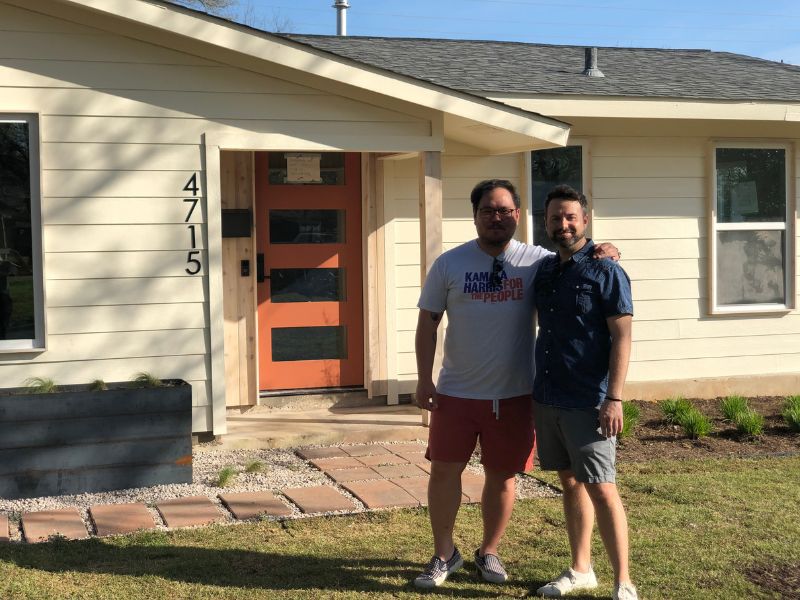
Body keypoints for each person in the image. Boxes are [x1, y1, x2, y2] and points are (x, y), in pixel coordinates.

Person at [413, 179, 619, 589]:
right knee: (443, 472)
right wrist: (424, 379)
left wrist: (607, 249)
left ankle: (489, 551)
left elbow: (577, 252)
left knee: (502, 476)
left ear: (519, 216)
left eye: (505, 210)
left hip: (517, 394)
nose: (497, 217)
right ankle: (443, 554)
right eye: (488, 209)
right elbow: (427, 324)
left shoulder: (538, 261)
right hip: (457, 390)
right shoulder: (449, 264)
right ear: (474, 215)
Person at [532, 184, 637, 600]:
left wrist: (614, 397)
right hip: (548, 395)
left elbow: (622, 336)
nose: (564, 224)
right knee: (570, 482)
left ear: (585, 220)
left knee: (602, 485)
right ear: (546, 222)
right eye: (556, 217)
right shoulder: (544, 269)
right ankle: (580, 569)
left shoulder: (606, 270)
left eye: (571, 216)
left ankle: (623, 581)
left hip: (589, 399)